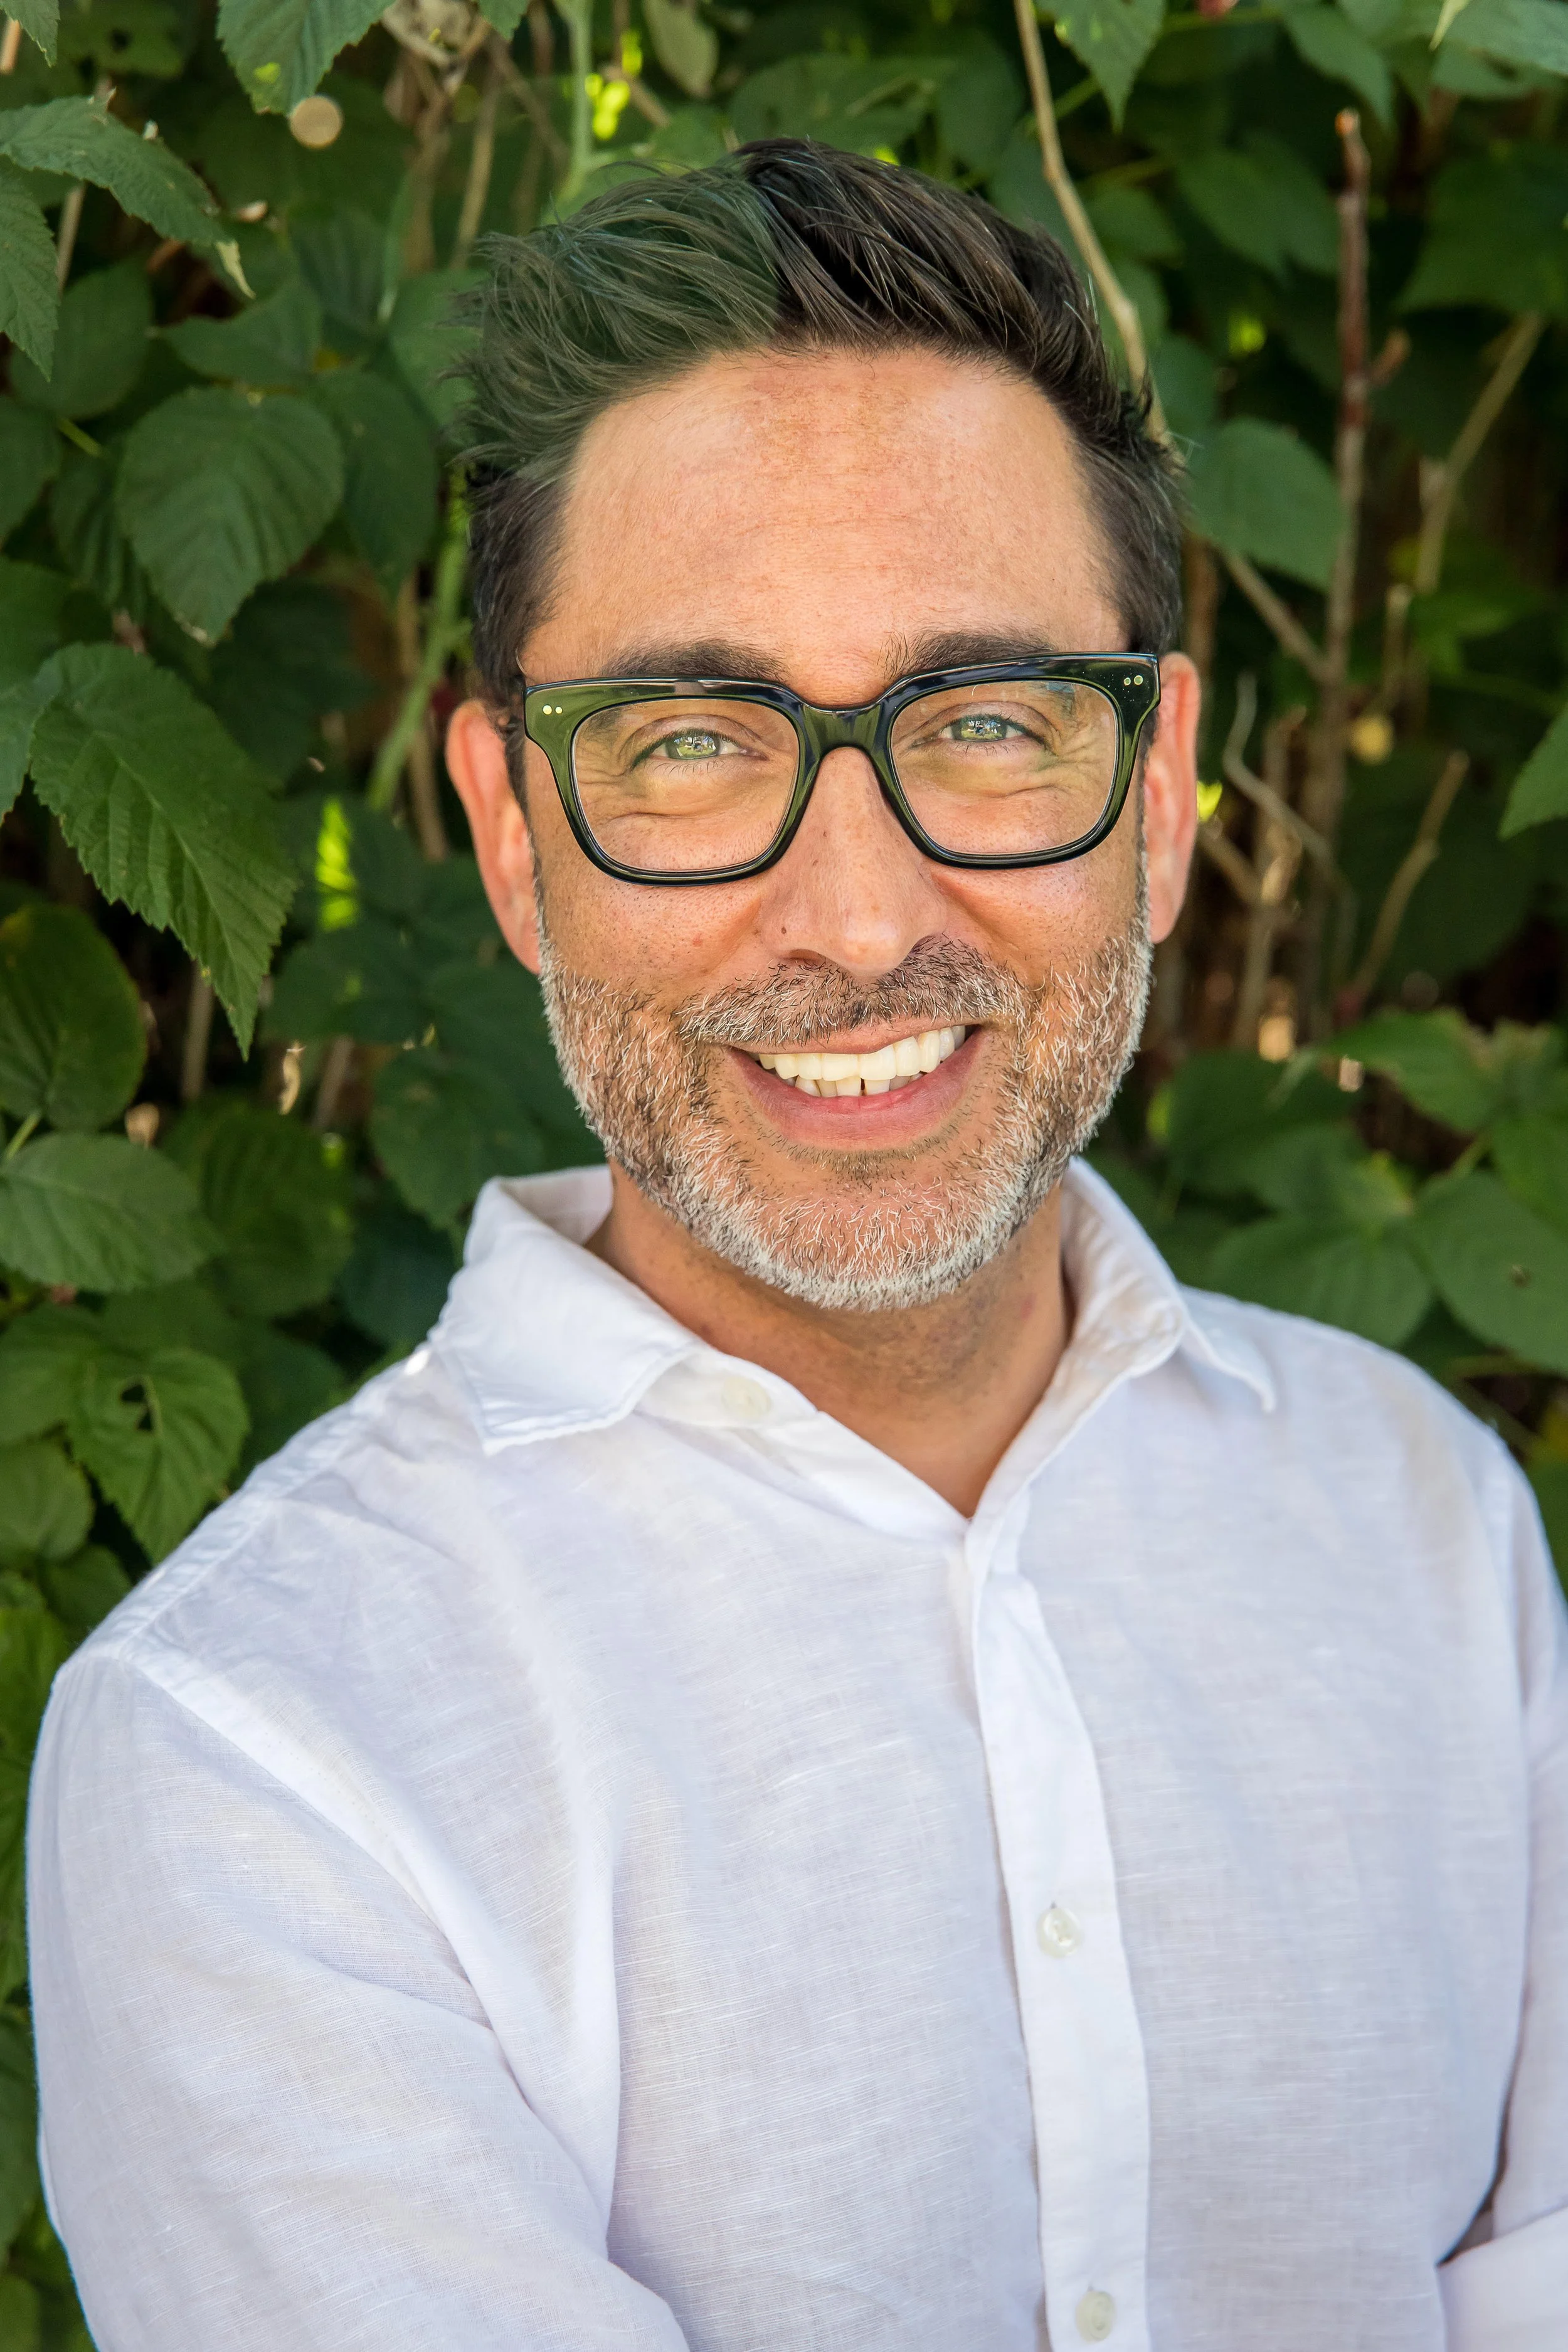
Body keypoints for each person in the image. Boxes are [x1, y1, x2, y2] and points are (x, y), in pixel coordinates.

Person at [26, 140, 1567, 2352]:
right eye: (686, 740)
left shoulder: (1423, 1525)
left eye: (979, 722)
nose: (856, 920)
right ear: (510, 837)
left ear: (1156, 796)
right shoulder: (252, 1747)